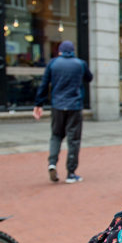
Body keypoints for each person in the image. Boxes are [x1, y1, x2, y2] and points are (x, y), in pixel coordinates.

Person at [33, 40, 93, 184]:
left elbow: (44, 84)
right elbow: (89, 78)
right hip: (74, 106)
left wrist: (38, 104)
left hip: (57, 106)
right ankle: (71, 173)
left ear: (60, 51)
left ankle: (52, 163)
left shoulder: (53, 63)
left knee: (56, 135)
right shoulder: (80, 64)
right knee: (74, 140)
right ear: (73, 51)